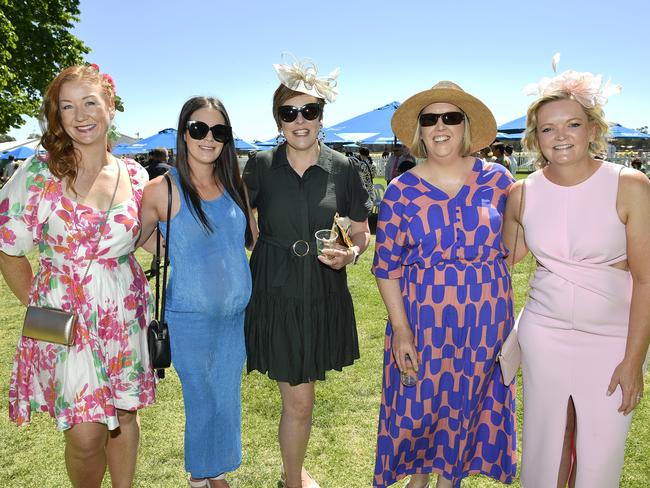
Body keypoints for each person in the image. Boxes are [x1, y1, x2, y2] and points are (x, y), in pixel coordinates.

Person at [0, 64, 156, 487]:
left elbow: (144, 239)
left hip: (123, 313)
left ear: (110, 107)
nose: (81, 114)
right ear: (58, 116)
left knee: (123, 414)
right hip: (64, 321)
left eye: (90, 102)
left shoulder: (136, 175)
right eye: (67, 106)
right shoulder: (38, 173)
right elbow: (8, 249)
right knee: (85, 434)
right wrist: (43, 307)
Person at [503, 62, 650, 487]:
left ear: (592, 129)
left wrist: (634, 360)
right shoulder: (522, 193)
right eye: (548, 129)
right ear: (535, 138)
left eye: (572, 124)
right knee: (546, 443)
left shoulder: (630, 185)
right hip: (543, 333)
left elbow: (645, 279)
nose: (561, 136)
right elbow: (503, 256)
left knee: (600, 452)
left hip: (610, 339)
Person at [372, 81, 516, 488]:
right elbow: (386, 267)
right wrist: (401, 330)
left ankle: (448, 481)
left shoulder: (500, 181)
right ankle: (419, 479)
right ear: (419, 130)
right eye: (429, 118)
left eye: (450, 117)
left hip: (485, 322)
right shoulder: (401, 191)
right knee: (419, 409)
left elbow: (514, 244)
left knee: (468, 408)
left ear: (465, 125)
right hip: (422, 321)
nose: (440, 126)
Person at [242, 57, 371, 488]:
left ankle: (291, 473)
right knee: (298, 399)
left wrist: (349, 254)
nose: (299, 120)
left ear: (321, 118)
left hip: (321, 290)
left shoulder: (344, 167)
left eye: (309, 112)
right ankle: (293, 480)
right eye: (289, 112)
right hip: (275, 293)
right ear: (278, 120)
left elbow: (359, 232)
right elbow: (240, 226)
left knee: (303, 398)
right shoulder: (259, 165)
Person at [139, 97, 256, 488]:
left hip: (234, 319)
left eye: (218, 131)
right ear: (184, 131)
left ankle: (212, 473)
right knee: (203, 401)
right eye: (199, 128)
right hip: (190, 320)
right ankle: (204, 478)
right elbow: (141, 240)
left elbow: (250, 239)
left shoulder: (234, 182)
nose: (208, 138)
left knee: (226, 398)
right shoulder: (161, 190)